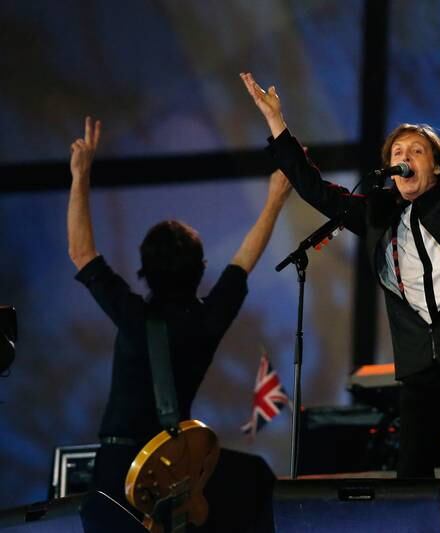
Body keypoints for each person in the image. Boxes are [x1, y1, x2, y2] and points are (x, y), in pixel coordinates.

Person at [240, 17, 440, 532]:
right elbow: (316, 190)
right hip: (421, 369)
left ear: (435, 165)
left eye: (416, 151)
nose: (404, 157)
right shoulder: (376, 213)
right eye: (397, 152)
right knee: (410, 476)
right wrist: (278, 126)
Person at [67, 116, 292, 514]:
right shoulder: (208, 320)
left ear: (145, 270)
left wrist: (81, 174)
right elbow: (243, 261)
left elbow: (82, 253)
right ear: (201, 268)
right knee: (255, 480)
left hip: (115, 474)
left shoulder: (132, 314)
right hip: (176, 471)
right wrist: (275, 199)